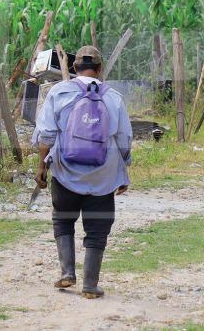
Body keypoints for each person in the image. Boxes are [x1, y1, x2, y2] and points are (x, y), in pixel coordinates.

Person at [31, 45, 132, 299]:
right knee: (98, 229)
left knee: (63, 219)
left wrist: (42, 165)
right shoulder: (114, 98)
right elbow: (124, 140)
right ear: (100, 69)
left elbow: (46, 135)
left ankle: (67, 272)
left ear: (74, 68)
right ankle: (89, 285)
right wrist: (123, 172)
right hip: (103, 175)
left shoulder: (59, 91)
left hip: (66, 171)